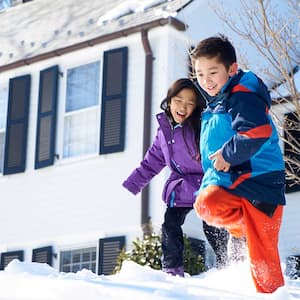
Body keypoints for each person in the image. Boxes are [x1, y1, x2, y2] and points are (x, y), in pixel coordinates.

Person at [190, 35, 286, 293]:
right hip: (239, 182)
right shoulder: (221, 99)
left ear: (231, 69)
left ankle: (274, 296)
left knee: (262, 261)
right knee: (207, 204)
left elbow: (256, 132)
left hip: (259, 182)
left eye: (213, 72)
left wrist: (226, 155)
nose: (206, 80)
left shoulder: (242, 94)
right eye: (199, 74)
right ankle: (243, 230)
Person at [122, 78, 229, 276]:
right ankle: (172, 270)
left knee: (212, 224)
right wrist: (133, 184)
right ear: (169, 101)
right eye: (179, 100)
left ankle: (228, 265)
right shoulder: (163, 130)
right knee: (170, 225)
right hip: (181, 187)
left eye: (190, 103)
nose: (183, 107)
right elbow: (152, 160)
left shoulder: (201, 124)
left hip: (207, 182)